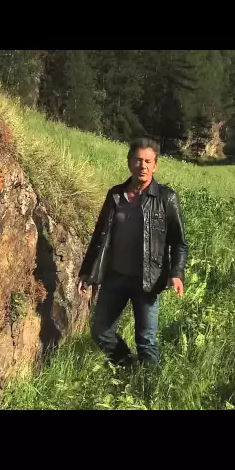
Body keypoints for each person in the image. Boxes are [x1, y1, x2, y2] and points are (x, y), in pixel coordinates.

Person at [77, 138, 189, 367]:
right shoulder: (115, 195)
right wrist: (87, 271)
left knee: (146, 341)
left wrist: (176, 273)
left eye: (148, 161)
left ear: (155, 166)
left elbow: (179, 242)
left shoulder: (166, 198)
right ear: (129, 163)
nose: (142, 166)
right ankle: (128, 366)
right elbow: (99, 237)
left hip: (148, 280)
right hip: (115, 277)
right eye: (138, 160)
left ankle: (148, 383)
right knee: (101, 331)